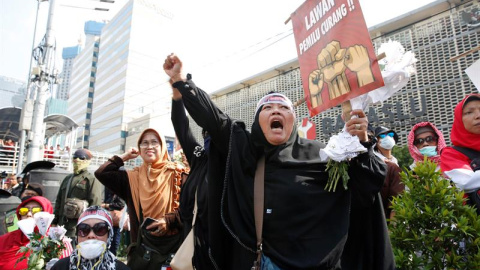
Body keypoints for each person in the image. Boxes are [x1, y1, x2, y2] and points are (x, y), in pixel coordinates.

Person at [164, 54, 391, 269]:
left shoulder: (323, 155)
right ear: (257, 121)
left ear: (293, 121)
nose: (276, 111)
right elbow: (213, 118)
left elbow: (364, 189)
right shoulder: (246, 151)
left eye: (284, 108)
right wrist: (180, 81)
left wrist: (360, 144)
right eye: (268, 108)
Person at [94, 128, 185, 268]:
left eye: (155, 142)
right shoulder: (132, 178)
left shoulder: (179, 174)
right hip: (142, 254)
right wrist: (124, 157)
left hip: (174, 252)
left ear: (162, 146)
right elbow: (102, 173)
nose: (149, 146)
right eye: (144, 143)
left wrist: (170, 220)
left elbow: (192, 208)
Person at [171, 85, 212, 269]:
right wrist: (177, 95)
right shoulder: (199, 157)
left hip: (216, 249)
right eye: (205, 132)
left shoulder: (232, 163)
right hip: (188, 243)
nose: (209, 136)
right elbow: (181, 126)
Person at [0, 196, 71, 269]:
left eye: (36, 210)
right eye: (24, 210)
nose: (29, 214)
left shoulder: (57, 241)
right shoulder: (4, 240)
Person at [51, 206, 130, 270]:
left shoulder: (121, 268)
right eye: (84, 229)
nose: (91, 235)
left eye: (100, 229)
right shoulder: (60, 267)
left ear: (109, 236)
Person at [51, 148, 103, 240]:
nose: (77, 160)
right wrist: (55, 221)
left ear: (87, 161)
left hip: (78, 227)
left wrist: (89, 226)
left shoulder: (91, 179)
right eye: (75, 157)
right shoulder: (67, 178)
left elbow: (95, 204)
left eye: (82, 158)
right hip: (62, 226)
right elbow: (59, 201)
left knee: (75, 251)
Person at [441, 93, 480, 213]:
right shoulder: (451, 154)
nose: (478, 116)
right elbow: (466, 182)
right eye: (469, 112)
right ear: (459, 120)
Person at [101, 187, 126, 255]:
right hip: (107, 218)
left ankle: (112, 257)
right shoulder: (106, 187)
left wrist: (106, 205)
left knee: (114, 242)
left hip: (114, 219)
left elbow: (120, 204)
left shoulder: (118, 188)